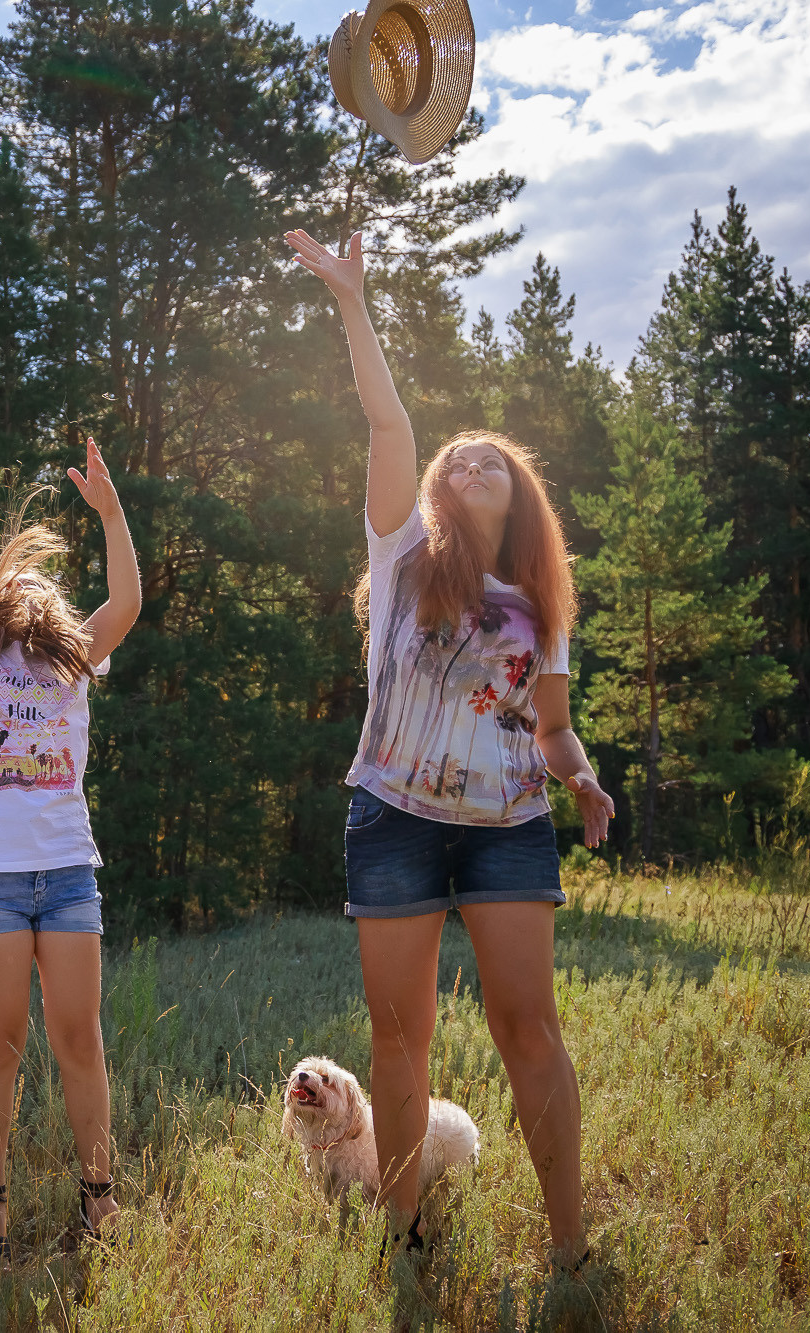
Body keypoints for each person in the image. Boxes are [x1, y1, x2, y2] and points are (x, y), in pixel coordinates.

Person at [283, 228, 614, 1278]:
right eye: (455, 457)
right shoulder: (398, 555)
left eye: (494, 461)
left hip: (508, 829)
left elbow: (551, 723)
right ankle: (404, 1233)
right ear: (433, 490)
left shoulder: (539, 606)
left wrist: (581, 775)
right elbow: (387, 417)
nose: (470, 460)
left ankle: (567, 1245)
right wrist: (350, 302)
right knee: (399, 1041)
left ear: (518, 497)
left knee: (530, 1029)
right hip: (393, 822)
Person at [0, 436, 141, 1260]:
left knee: (79, 1037)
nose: (27, 590)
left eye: (38, 584)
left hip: (69, 875)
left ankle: (99, 1196)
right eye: (10, 584)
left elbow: (127, 601)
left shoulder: (75, 662)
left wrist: (113, 516)